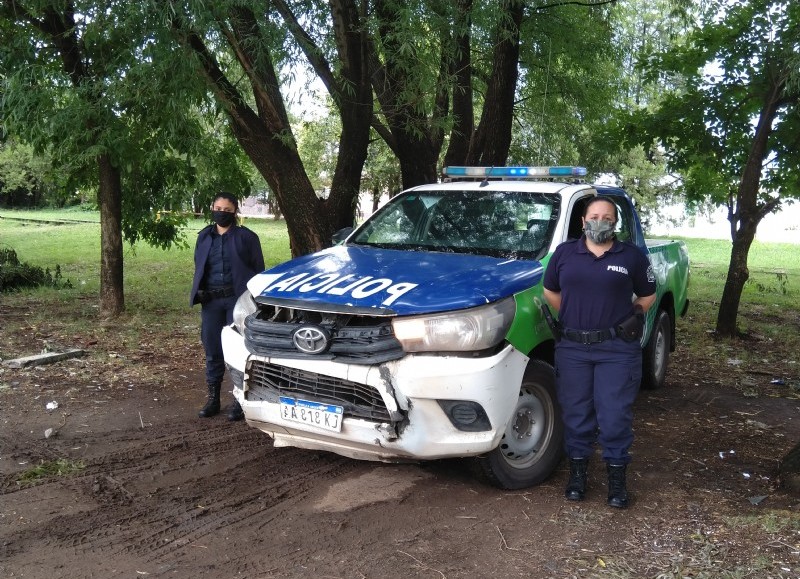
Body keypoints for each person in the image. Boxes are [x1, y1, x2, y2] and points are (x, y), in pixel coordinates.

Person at [543, 195, 656, 508]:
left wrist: (632, 316)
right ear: (583, 221)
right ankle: (578, 477)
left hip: (616, 349)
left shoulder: (630, 256)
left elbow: (648, 293)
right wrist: (574, 314)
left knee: (614, 414)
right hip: (573, 348)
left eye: (607, 217)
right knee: (577, 414)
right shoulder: (565, 254)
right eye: (594, 216)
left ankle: (617, 482)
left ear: (615, 222)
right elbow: (550, 290)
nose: (600, 221)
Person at [190, 192, 265, 421]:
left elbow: (258, 270)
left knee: (239, 350)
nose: (221, 213)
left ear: (234, 212)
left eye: (226, 209)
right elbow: (199, 265)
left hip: (237, 301)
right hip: (211, 302)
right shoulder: (204, 237)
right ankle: (213, 399)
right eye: (217, 208)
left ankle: (239, 401)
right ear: (212, 208)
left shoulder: (247, 238)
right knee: (212, 349)